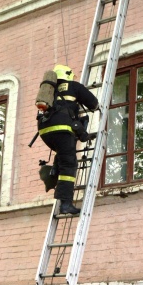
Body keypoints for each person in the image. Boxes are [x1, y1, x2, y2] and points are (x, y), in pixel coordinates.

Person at [36, 65, 99, 215]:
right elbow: (94, 104)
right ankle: (65, 204)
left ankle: (53, 172)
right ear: (68, 74)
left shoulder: (51, 92)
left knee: (63, 155)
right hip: (62, 131)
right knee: (69, 166)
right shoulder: (73, 86)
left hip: (45, 132)